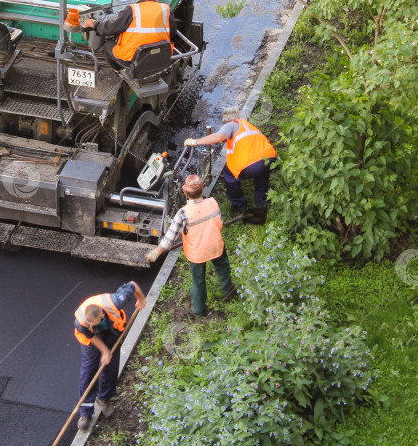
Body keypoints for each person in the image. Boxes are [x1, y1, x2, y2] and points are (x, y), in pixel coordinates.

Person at [145, 175, 236, 316]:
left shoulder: (183, 214)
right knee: (223, 268)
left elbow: (170, 237)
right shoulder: (212, 202)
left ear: (184, 191)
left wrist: (157, 252)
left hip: (197, 253)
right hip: (216, 245)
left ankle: (198, 310)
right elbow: (220, 223)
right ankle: (229, 291)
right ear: (203, 189)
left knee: (198, 281)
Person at [73, 281, 147, 431]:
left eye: (94, 323)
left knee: (111, 365)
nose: (91, 326)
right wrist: (104, 351)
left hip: (111, 330)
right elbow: (91, 336)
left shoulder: (115, 302)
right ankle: (85, 412)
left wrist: (142, 299)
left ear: (102, 316)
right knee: (89, 368)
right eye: (90, 324)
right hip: (88, 339)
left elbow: (132, 285)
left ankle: (104, 398)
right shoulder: (82, 322)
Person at [184, 107, 277, 218]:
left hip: (251, 163)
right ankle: (261, 203)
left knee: (229, 174)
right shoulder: (247, 125)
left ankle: (240, 205)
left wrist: (195, 142)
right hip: (269, 159)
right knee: (262, 175)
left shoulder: (231, 124)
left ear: (226, 120)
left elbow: (219, 136)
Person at [81, 0, 175, 71]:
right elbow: (172, 34)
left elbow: (109, 29)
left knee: (108, 44)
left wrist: (93, 23)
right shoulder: (166, 9)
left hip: (133, 60)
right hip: (161, 57)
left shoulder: (132, 9)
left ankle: (118, 70)